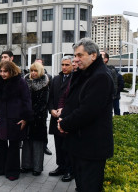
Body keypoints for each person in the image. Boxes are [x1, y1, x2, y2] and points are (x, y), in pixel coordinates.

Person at [58, 38, 114, 192]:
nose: (75, 59)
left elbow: (88, 111)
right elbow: (73, 101)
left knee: (90, 187)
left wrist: (64, 124)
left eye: (80, 55)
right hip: (80, 143)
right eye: (75, 55)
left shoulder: (101, 76)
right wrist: (64, 117)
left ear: (93, 55)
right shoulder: (84, 74)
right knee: (81, 186)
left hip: (92, 147)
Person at [0, 61, 33, 181]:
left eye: (5, 71)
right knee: (0, 143)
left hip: (16, 118)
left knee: (14, 146)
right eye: (1, 71)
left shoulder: (20, 82)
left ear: (11, 71)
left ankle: (12, 171)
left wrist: (25, 118)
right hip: (1, 117)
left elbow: (26, 100)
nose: (3, 74)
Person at [47, 56, 74, 182]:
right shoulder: (56, 79)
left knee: (67, 145)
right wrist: (51, 110)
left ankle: (69, 169)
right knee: (58, 144)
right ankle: (60, 166)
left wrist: (64, 110)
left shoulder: (75, 79)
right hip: (55, 116)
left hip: (68, 117)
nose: (64, 67)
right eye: (62, 64)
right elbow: (50, 97)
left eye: (67, 65)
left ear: (73, 65)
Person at [21, 62, 49, 176]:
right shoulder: (24, 83)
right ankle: (26, 165)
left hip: (38, 118)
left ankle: (37, 168)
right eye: (31, 70)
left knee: (37, 143)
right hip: (25, 116)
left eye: (35, 71)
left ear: (40, 71)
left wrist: (31, 114)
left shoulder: (45, 84)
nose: (33, 73)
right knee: (26, 142)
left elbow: (43, 103)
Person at [34, 58, 52, 156]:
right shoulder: (29, 78)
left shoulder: (48, 77)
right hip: (31, 109)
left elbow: (50, 93)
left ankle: (44, 146)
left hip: (42, 109)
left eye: (39, 64)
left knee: (43, 128)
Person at [100, 51, 121, 115]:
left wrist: (113, 95)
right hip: (99, 99)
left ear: (106, 59)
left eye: (101, 56)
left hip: (110, 98)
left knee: (114, 111)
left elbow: (115, 85)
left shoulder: (111, 71)